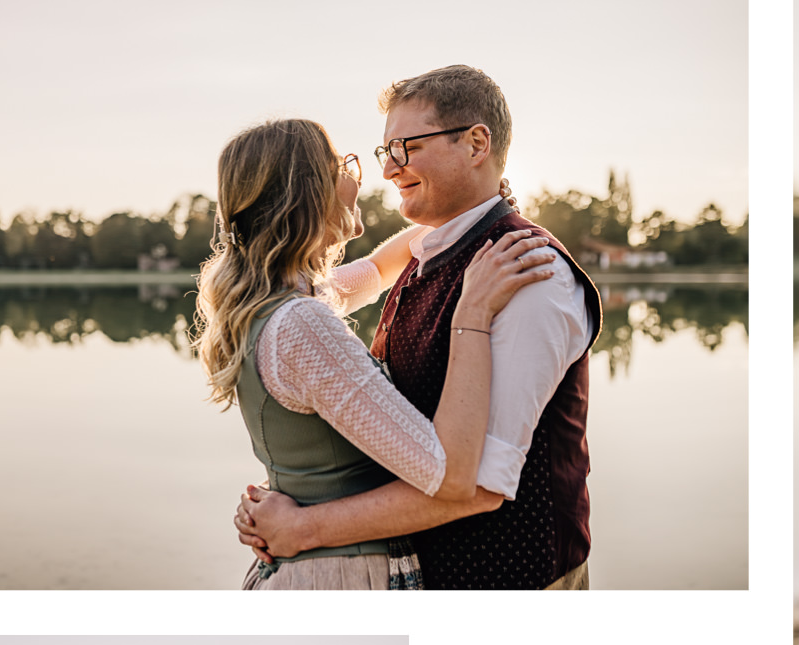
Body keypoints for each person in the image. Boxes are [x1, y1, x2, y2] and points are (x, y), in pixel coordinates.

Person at [235, 64, 603, 590]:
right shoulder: (431, 248)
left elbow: (479, 485)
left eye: (406, 148)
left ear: (477, 143)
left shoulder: (528, 273)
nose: (389, 170)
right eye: (386, 153)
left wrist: (303, 527)